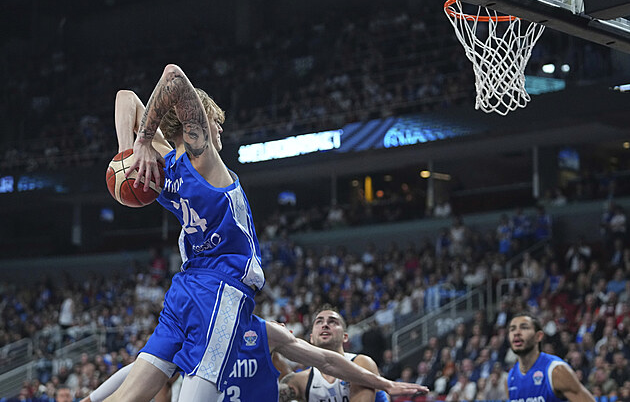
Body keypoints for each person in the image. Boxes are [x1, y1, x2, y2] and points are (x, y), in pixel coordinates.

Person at [104, 64, 266, 402]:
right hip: (222, 288)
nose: (220, 129)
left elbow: (125, 98)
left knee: (125, 398)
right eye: (216, 122)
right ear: (200, 119)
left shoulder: (163, 168)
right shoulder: (203, 158)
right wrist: (141, 142)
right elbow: (173, 75)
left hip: (185, 288)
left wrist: (129, 152)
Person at [82, 315, 428, 402]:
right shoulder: (197, 334)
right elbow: (143, 367)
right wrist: (94, 397)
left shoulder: (265, 331)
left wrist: (384, 383)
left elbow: (324, 360)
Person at [280, 305, 394, 402]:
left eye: (332, 322)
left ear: (345, 337)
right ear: (311, 338)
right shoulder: (301, 380)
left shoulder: (361, 363)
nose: (325, 325)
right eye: (319, 322)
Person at [506, 313, 596, 402]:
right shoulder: (511, 376)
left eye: (524, 328)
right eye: (512, 329)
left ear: (538, 336)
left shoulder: (556, 370)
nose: (516, 333)